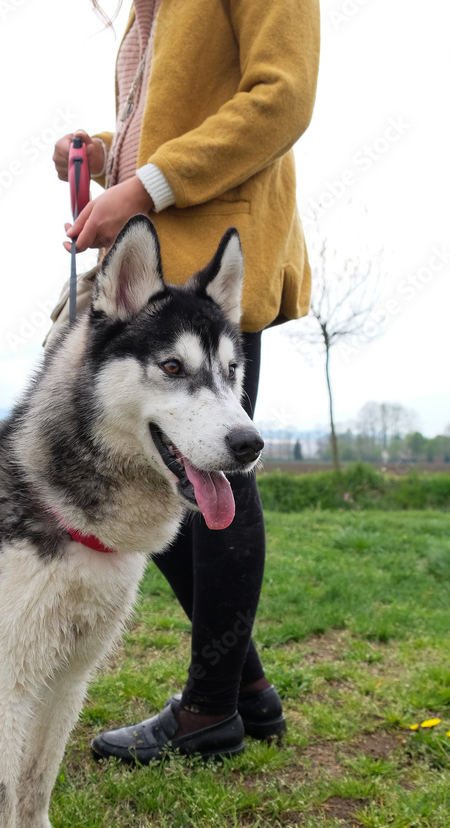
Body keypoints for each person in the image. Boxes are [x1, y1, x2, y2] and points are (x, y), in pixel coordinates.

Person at [49, 0, 320, 763]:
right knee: (169, 471)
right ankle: (245, 692)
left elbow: (282, 97)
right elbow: (170, 126)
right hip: (157, 264)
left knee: (215, 466)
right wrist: (102, 155)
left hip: (215, 261)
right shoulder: (151, 10)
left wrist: (136, 191)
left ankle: (208, 711)